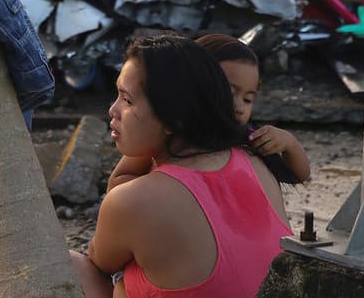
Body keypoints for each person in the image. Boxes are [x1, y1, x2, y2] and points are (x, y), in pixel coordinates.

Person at [71, 35, 291, 298]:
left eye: (127, 100)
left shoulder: (135, 202)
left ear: (174, 116)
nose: (112, 111)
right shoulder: (254, 162)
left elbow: (102, 262)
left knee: (77, 267)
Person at [108, 34, 310, 188]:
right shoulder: (161, 137)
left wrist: (289, 143)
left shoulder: (249, 140)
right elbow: (118, 182)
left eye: (248, 99)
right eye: (228, 93)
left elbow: (298, 175)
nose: (239, 107)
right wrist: (157, 190)